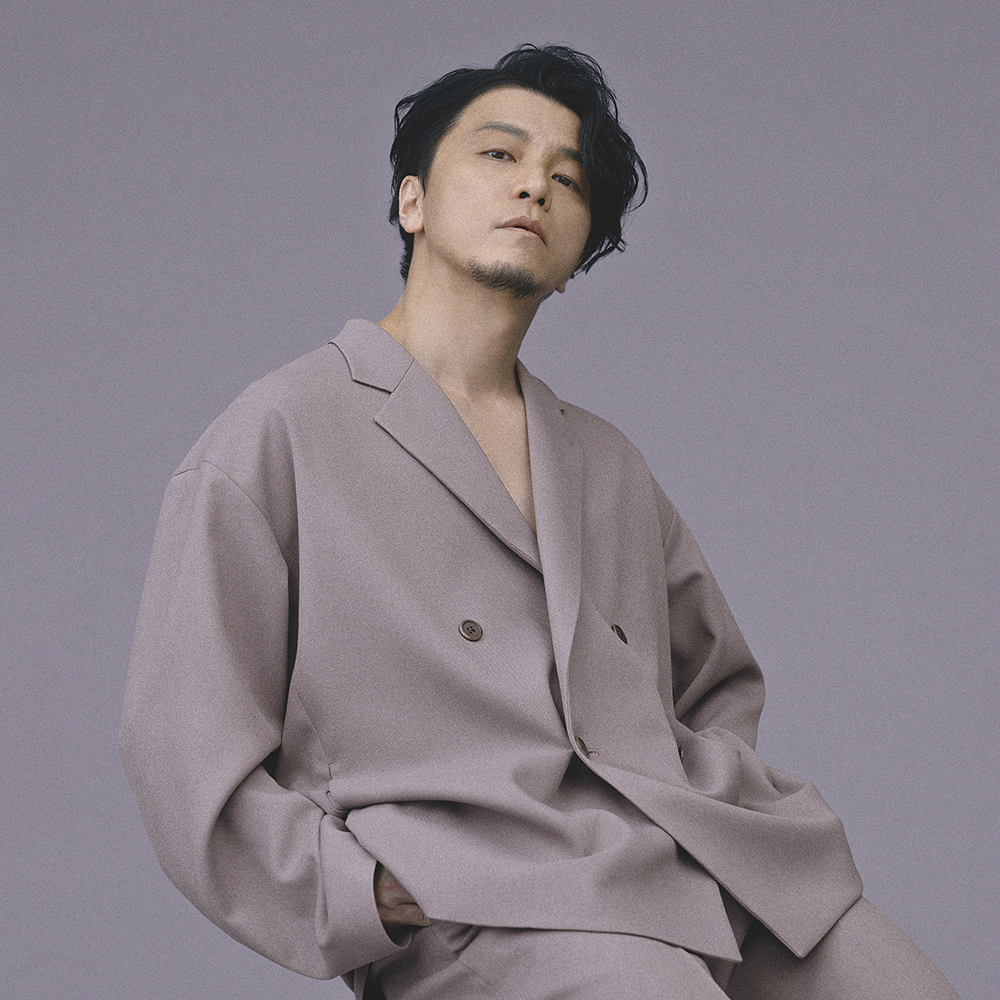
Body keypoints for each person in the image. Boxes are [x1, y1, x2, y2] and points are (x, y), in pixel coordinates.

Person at [120, 44, 961, 999]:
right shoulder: (284, 429)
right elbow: (180, 737)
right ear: (411, 201)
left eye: (568, 180)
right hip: (492, 899)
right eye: (499, 155)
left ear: (572, 262)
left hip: (701, 867)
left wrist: (708, 800)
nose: (536, 187)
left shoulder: (605, 461)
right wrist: (357, 889)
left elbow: (715, 680)